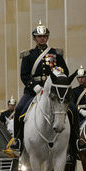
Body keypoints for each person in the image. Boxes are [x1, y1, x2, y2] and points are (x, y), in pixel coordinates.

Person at [10, 20, 80, 156]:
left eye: (44, 36)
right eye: (39, 37)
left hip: (53, 90)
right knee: (19, 110)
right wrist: (35, 86)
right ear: (34, 38)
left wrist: (58, 77)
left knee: (72, 110)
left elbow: (64, 72)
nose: (42, 38)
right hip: (33, 91)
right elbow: (24, 75)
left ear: (47, 37)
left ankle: (76, 142)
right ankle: (18, 140)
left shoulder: (56, 54)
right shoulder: (28, 55)